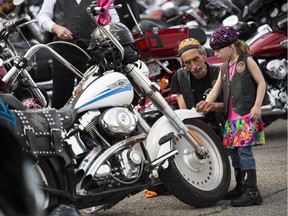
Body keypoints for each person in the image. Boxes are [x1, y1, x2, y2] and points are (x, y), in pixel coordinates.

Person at [196, 26, 266, 207]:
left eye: (219, 49)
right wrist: (202, 107)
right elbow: (215, 90)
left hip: (245, 117)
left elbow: (261, 83)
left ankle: (252, 191)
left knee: (244, 153)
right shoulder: (225, 68)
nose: (216, 53)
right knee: (234, 154)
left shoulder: (246, 61)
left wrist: (257, 105)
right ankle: (241, 186)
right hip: (231, 120)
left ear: (231, 46)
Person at [37, 0, 120, 109]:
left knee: (93, 93)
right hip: (62, 52)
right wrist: (56, 28)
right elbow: (42, 16)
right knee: (61, 96)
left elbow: (114, 20)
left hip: (92, 52)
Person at [171, 37, 225, 137]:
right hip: (198, 129)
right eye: (187, 63)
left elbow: (234, 106)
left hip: (223, 125)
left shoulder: (219, 72)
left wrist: (215, 106)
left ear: (204, 55)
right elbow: (184, 111)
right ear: (182, 63)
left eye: (196, 59)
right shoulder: (179, 77)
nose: (194, 66)